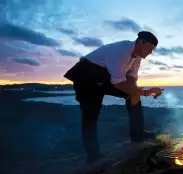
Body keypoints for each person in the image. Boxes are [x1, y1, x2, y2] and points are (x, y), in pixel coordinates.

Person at [63, 31, 164, 163]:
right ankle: (93, 155)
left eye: (152, 51)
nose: (150, 53)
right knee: (90, 115)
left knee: (132, 95)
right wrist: (145, 92)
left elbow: (131, 79)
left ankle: (137, 135)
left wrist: (135, 92)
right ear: (141, 42)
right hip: (86, 78)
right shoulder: (121, 51)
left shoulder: (138, 57)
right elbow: (119, 83)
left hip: (106, 78)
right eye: (150, 49)